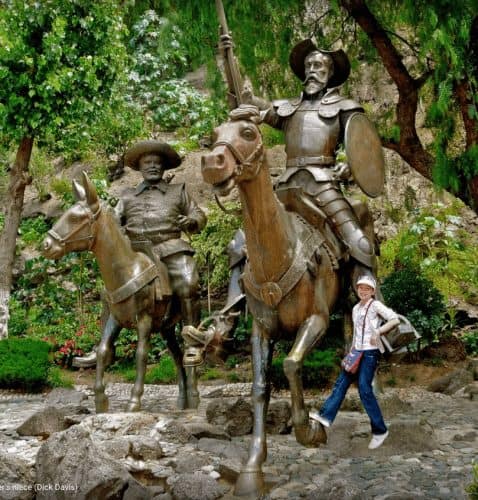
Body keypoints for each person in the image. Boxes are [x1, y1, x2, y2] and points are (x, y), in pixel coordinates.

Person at [234, 37, 384, 285]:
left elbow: (364, 147)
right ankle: (229, 313)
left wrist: (349, 166)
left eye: (319, 66)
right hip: (285, 186)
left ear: (331, 71)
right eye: (309, 66)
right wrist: (241, 85)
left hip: (323, 185)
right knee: (240, 244)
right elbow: (257, 106)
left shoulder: (345, 107)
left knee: (358, 241)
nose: (313, 71)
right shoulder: (288, 108)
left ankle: (369, 301)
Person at [116, 140, 207, 327]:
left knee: (189, 283)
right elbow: (114, 220)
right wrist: (119, 231)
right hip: (136, 252)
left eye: (157, 162)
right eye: (147, 162)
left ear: (164, 167)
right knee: (111, 286)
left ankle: (193, 339)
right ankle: (105, 342)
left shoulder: (178, 191)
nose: (153, 166)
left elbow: (197, 213)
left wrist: (191, 221)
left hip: (171, 249)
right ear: (139, 167)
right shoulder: (126, 196)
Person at [310, 275, 400, 449]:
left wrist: (378, 332)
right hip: (357, 352)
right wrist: (351, 351)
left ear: (372, 291)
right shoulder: (355, 309)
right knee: (340, 385)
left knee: (365, 390)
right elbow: (357, 333)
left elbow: (394, 319)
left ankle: (380, 431)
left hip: (370, 353)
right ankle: (325, 416)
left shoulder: (375, 305)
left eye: (367, 288)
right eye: (360, 288)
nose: (363, 291)